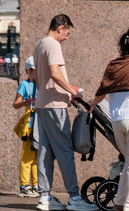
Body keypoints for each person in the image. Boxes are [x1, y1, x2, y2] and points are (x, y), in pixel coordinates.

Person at [32, 14, 95, 211]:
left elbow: (40, 77)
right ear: (61, 27)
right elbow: (54, 73)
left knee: (45, 151)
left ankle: (45, 197)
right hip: (54, 107)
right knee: (65, 151)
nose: (67, 36)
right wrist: (71, 91)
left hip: (42, 105)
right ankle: (75, 198)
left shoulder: (39, 45)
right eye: (67, 31)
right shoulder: (53, 45)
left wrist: (67, 91)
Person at [87, 29, 129, 211]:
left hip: (117, 121)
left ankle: (120, 203)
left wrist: (92, 104)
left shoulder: (112, 66)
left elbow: (101, 91)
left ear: (120, 48)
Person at [14, 56, 39, 198]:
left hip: (40, 126)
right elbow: (15, 103)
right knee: (27, 157)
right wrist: (26, 101)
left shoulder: (41, 84)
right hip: (29, 126)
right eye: (36, 70)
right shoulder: (24, 85)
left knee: (37, 158)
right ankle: (24, 185)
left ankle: (36, 185)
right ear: (29, 70)